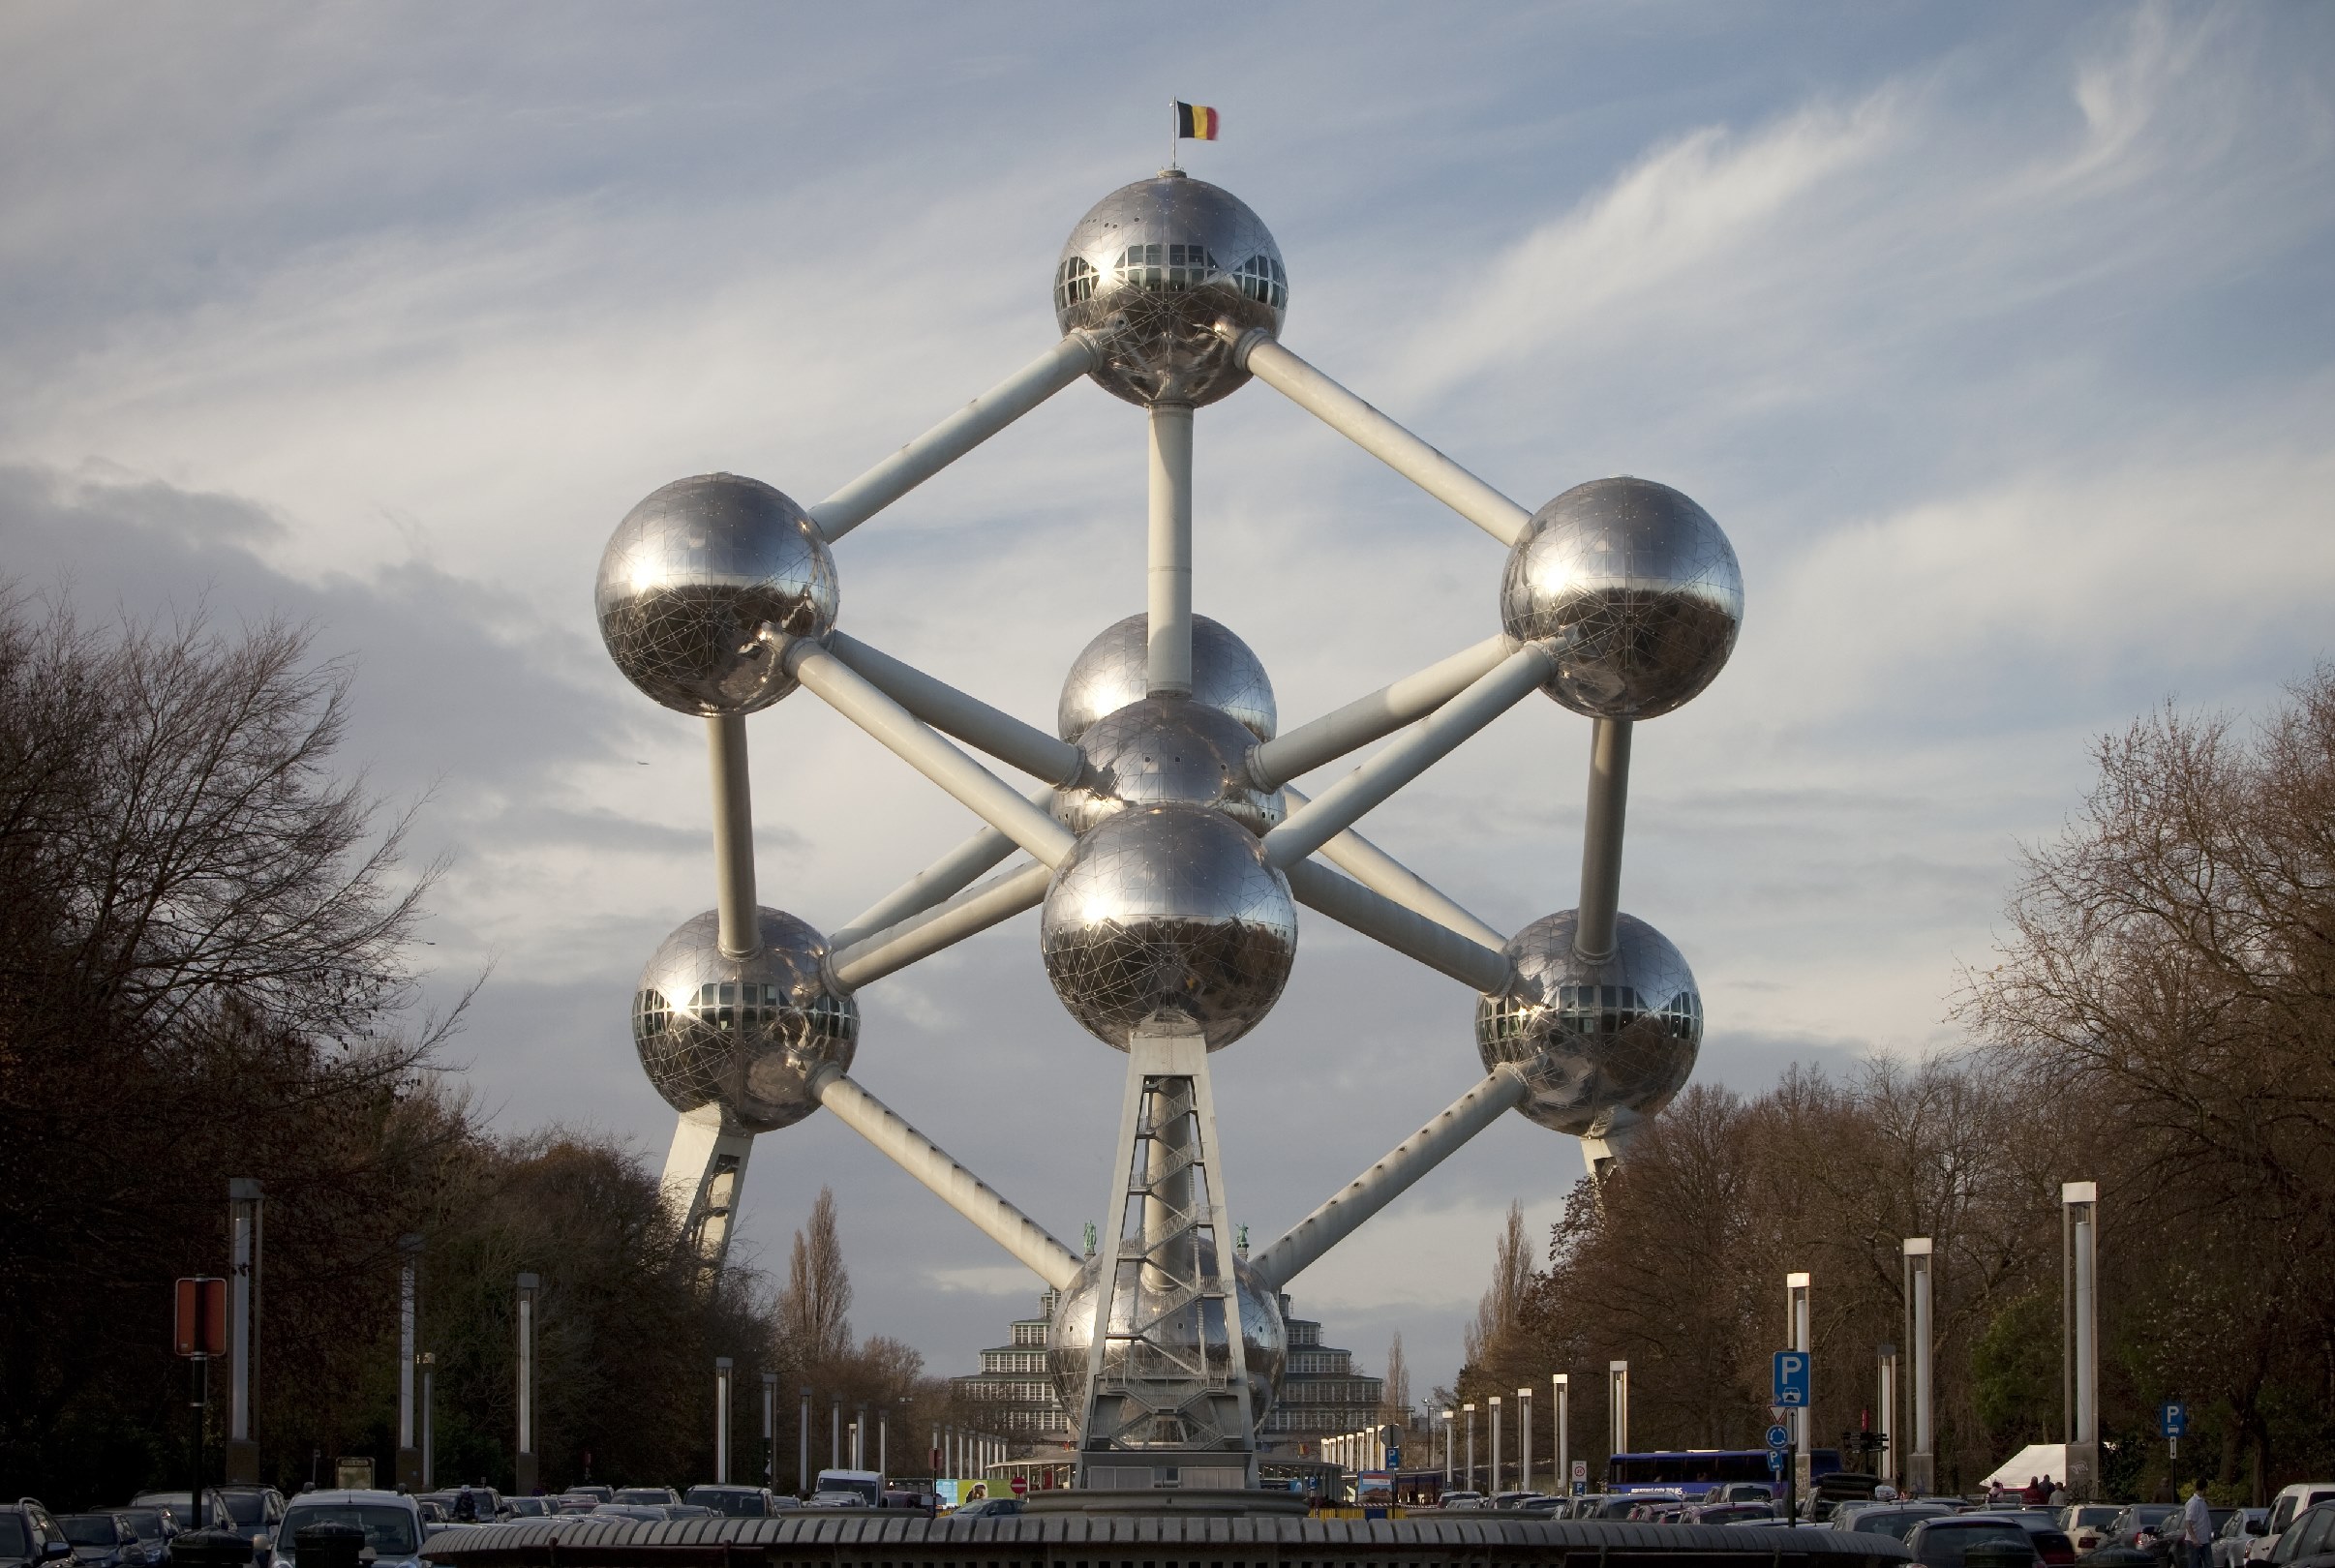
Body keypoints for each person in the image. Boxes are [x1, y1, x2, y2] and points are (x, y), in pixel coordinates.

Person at [2183, 1483, 2213, 1568]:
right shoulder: (2193, 1503)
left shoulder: (2202, 1502)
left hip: (2204, 1539)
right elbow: (2188, 1522)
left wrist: (2209, 1536)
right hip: (2194, 1541)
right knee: (2194, 1564)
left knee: (2209, 1563)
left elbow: (2204, 1521)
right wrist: (2193, 1538)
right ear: (2204, 1489)